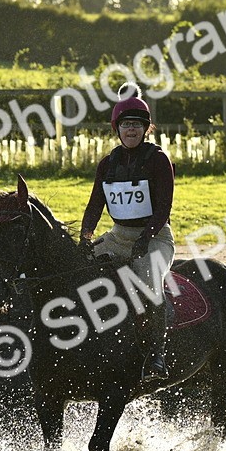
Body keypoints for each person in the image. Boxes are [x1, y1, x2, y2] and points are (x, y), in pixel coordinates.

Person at [79, 82, 176, 378]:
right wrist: (85, 237)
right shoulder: (108, 163)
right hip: (118, 236)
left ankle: (157, 355)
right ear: (117, 129)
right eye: (125, 125)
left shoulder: (159, 160)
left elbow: (163, 209)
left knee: (149, 280)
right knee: (79, 268)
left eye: (136, 125)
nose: (131, 130)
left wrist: (146, 239)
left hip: (156, 237)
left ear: (146, 129)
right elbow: (95, 203)